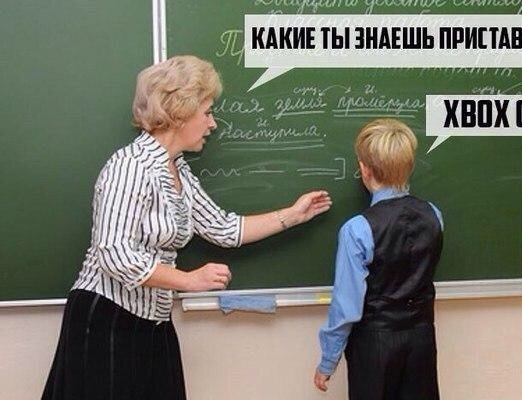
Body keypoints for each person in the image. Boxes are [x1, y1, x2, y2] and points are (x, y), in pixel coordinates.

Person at [42, 55, 332, 400]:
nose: (213, 123)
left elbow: (223, 228)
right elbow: (114, 253)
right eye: (207, 112)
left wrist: (292, 215)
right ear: (179, 113)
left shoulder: (178, 171)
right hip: (106, 319)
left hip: (152, 319)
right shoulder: (130, 167)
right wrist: (188, 280)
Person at [313, 118, 444, 400]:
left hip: (375, 343)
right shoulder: (434, 214)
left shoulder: (357, 229)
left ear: (365, 169)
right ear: (409, 166)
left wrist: (328, 360)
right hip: (422, 337)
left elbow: (347, 306)